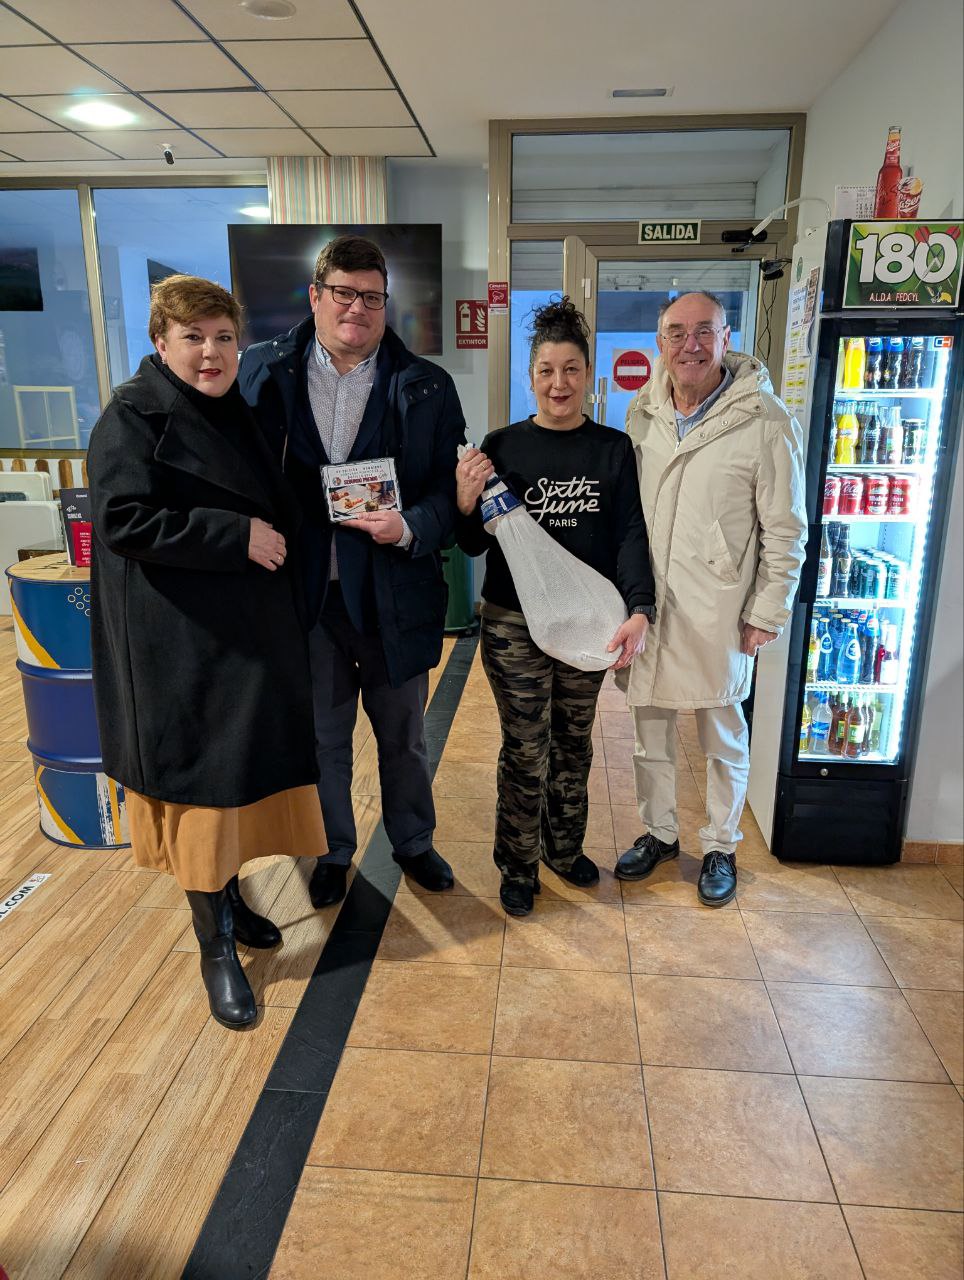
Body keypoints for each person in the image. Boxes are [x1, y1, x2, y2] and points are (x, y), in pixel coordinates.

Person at [88, 274, 326, 1030]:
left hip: (244, 641)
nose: (211, 352)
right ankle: (214, 946)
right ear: (161, 342)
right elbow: (122, 521)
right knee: (203, 800)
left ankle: (233, 902)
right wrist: (234, 536)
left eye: (224, 337)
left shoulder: (234, 412)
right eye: (193, 338)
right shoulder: (132, 416)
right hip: (180, 648)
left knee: (239, 789)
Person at [238, 235, 466, 908]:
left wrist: (410, 526)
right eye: (343, 293)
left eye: (371, 296)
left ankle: (413, 843)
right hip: (305, 596)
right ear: (316, 296)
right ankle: (333, 850)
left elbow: (447, 490)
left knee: (404, 738)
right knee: (322, 740)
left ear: (385, 304)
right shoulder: (262, 372)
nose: (357, 308)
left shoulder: (427, 385)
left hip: (394, 592)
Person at [456, 298, 656, 917]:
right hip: (513, 623)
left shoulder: (613, 449)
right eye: (546, 370)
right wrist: (464, 500)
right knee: (526, 747)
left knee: (574, 744)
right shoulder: (502, 446)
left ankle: (563, 848)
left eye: (570, 369)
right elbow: (472, 543)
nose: (558, 383)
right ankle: (517, 865)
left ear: (587, 374)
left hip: (590, 623)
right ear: (530, 377)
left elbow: (630, 534)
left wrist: (640, 608)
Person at [615, 290, 806, 906]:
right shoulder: (642, 411)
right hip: (648, 606)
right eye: (677, 332)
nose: (690, 345)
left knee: (723, 736)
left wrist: (766, 610)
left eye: (705, 331)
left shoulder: (766, 420)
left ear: (727, 338)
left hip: (719, 609)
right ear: (661, 343)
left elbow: (786, 529)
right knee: (649, 734)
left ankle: (722, 844)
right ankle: (659, 833)